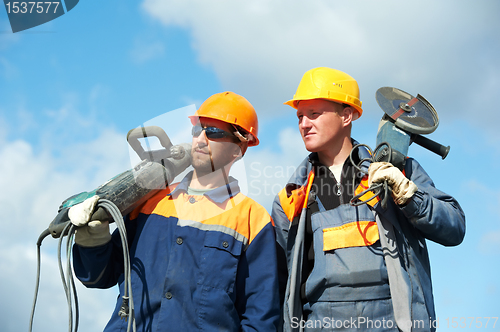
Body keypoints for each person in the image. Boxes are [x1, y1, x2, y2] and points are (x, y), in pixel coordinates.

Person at [272, 67, 466, 332]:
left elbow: (454, 227)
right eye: (300, 116)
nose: (304, 124)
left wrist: (411, 197)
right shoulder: (293, 197)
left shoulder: (395, 171)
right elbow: (280, 283)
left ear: (347, 115)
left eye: (314, 114)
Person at [70, 92, 280, 331]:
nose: (200, 139)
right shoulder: (149, 202)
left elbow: (261, 318)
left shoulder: (253, 220)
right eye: (197, 130)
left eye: (213, 132)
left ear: (239, 147)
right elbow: (97, 276)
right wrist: (92, 240)